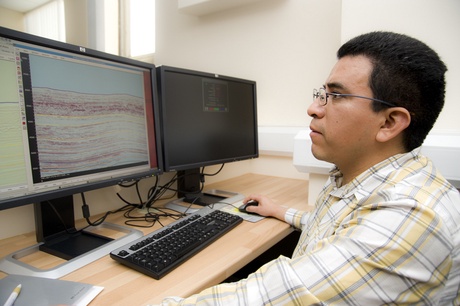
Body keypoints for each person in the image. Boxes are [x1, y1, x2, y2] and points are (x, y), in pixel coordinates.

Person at [157, 32, 460, 305]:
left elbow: (265, 297)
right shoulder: (369, 178)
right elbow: (333, 225)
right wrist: (280, 211)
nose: (313, 108)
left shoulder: (409, 218)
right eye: (321, 93)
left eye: (336, 95)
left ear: (389, 122)